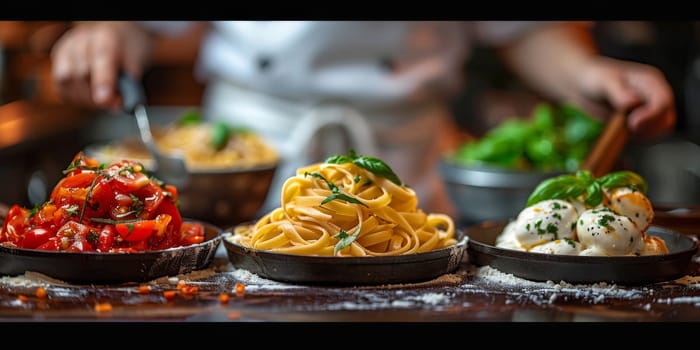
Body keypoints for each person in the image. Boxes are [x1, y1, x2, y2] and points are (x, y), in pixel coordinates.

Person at [49, 21, 676, 218]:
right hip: (244, 167)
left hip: (408, 165)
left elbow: (520, 27)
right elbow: (153, 28)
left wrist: (587, 74)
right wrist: (109, 33)